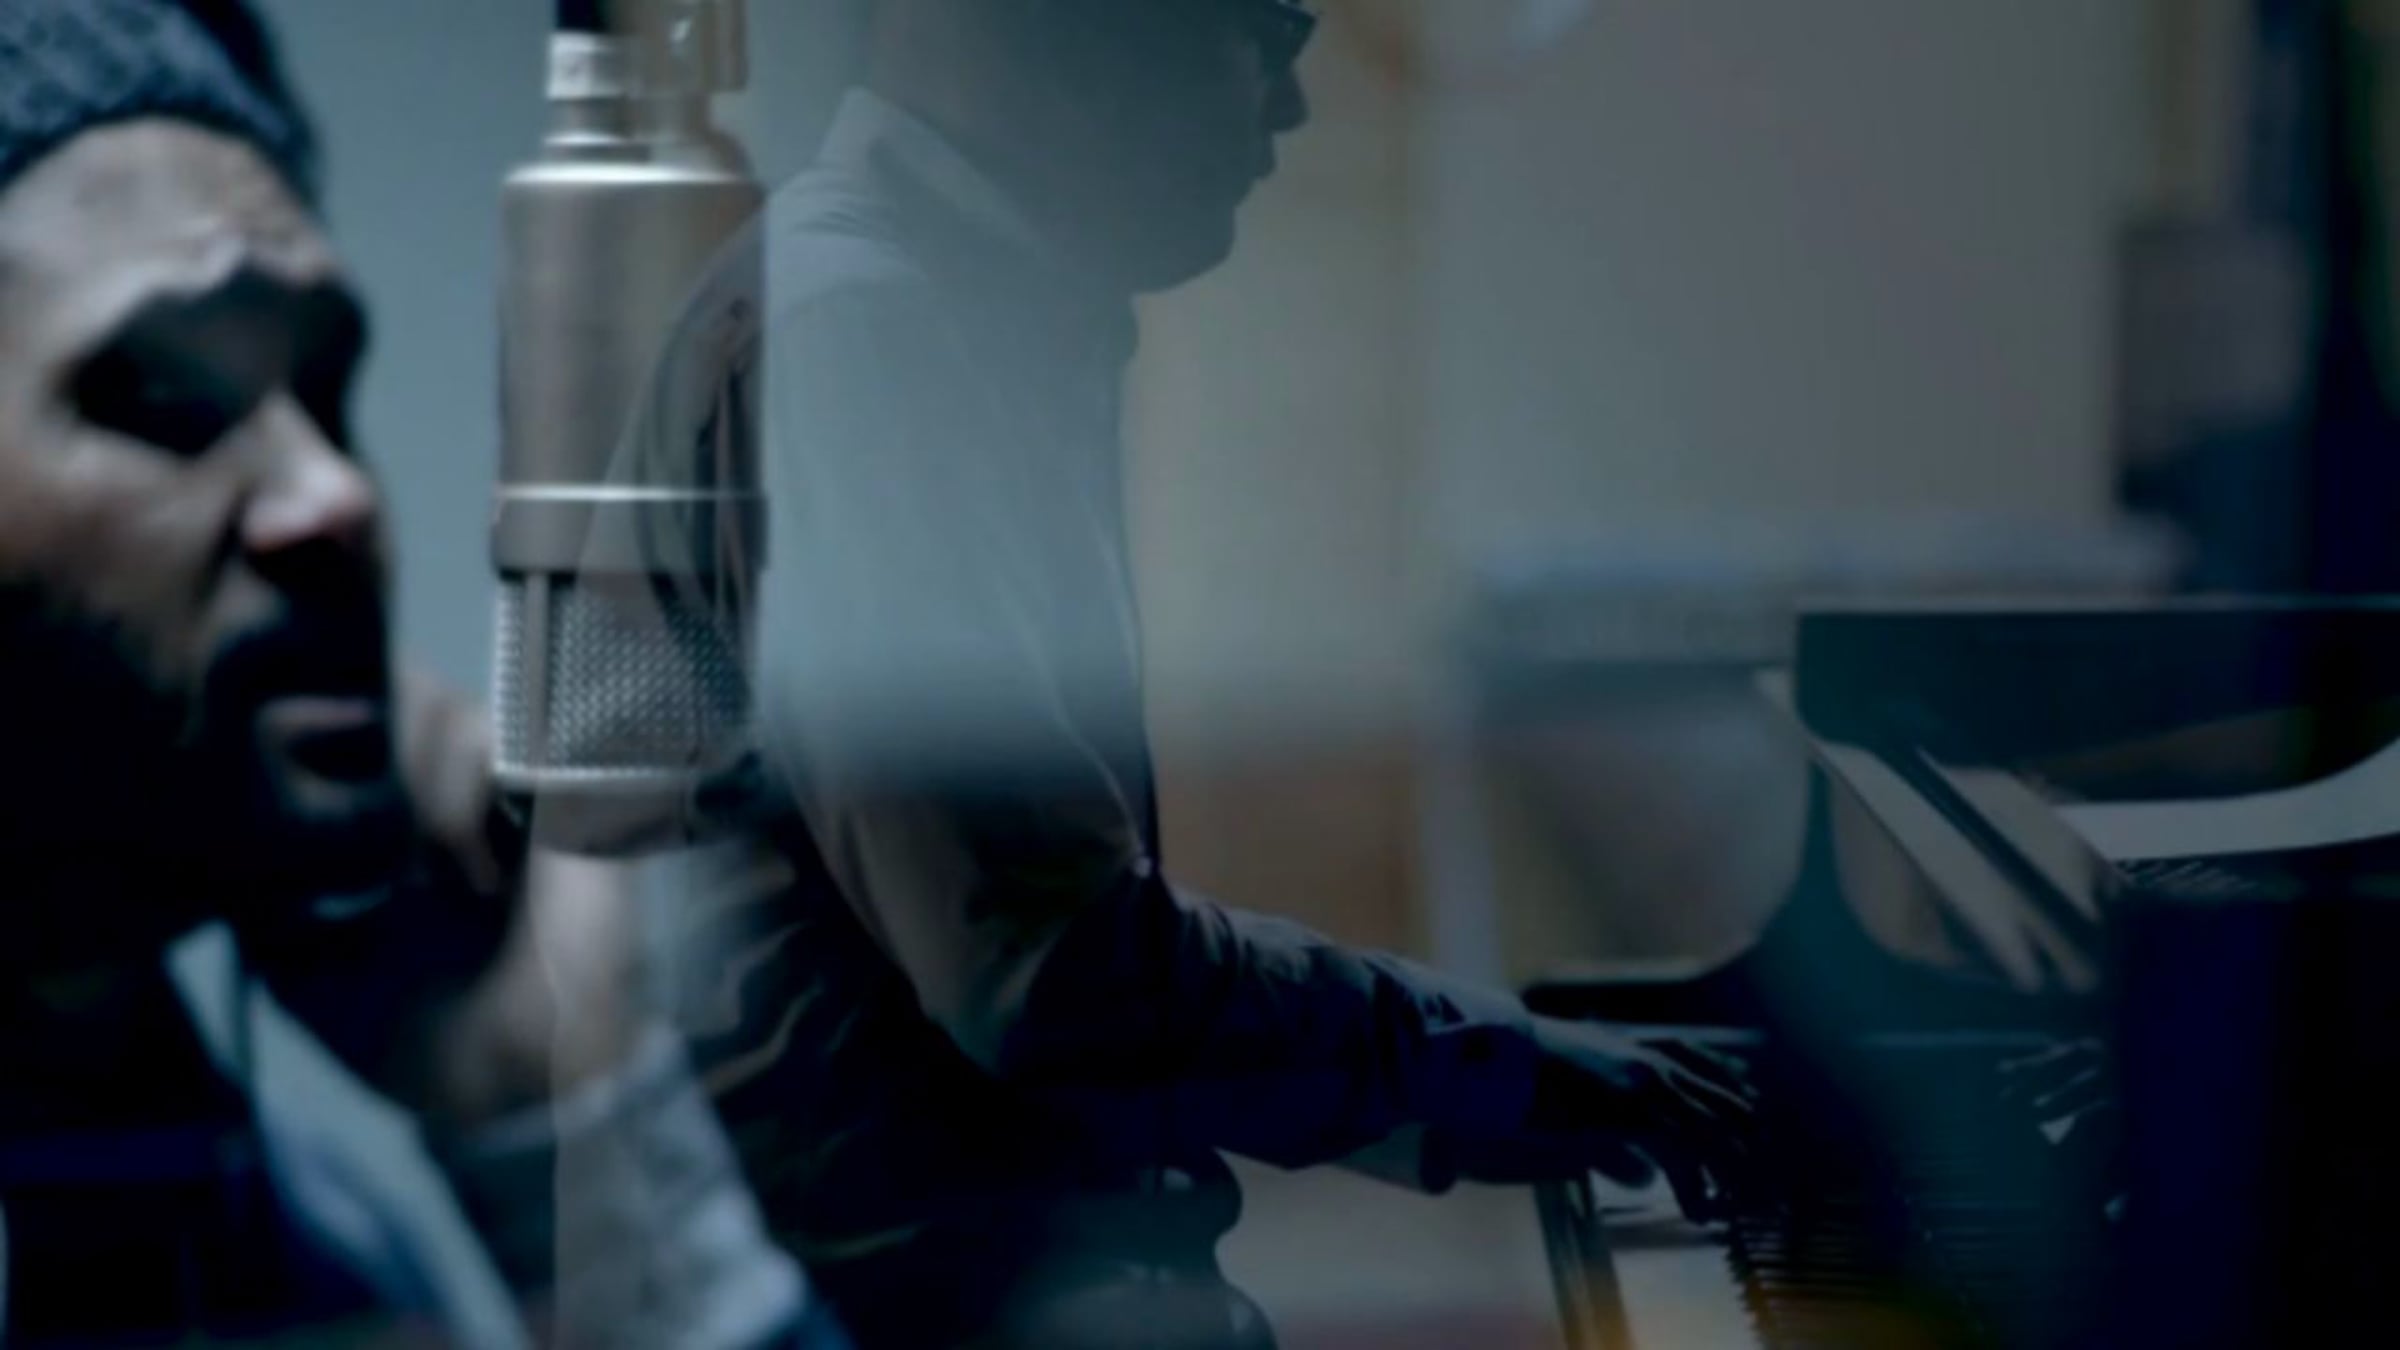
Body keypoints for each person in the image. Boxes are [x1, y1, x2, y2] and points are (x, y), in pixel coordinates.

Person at [623, 1, 1757, 1345]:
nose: (1291, 106)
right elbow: (1055, 977)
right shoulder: (869, 332)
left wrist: (1501, 1079)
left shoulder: (936, 306)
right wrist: (1503, 1071)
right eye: (1264, 36)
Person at [0, 1, 842, 1344]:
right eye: (164, 397)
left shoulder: (324, 1258)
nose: (336, 494)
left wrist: (567, 1125)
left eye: (325, 390)